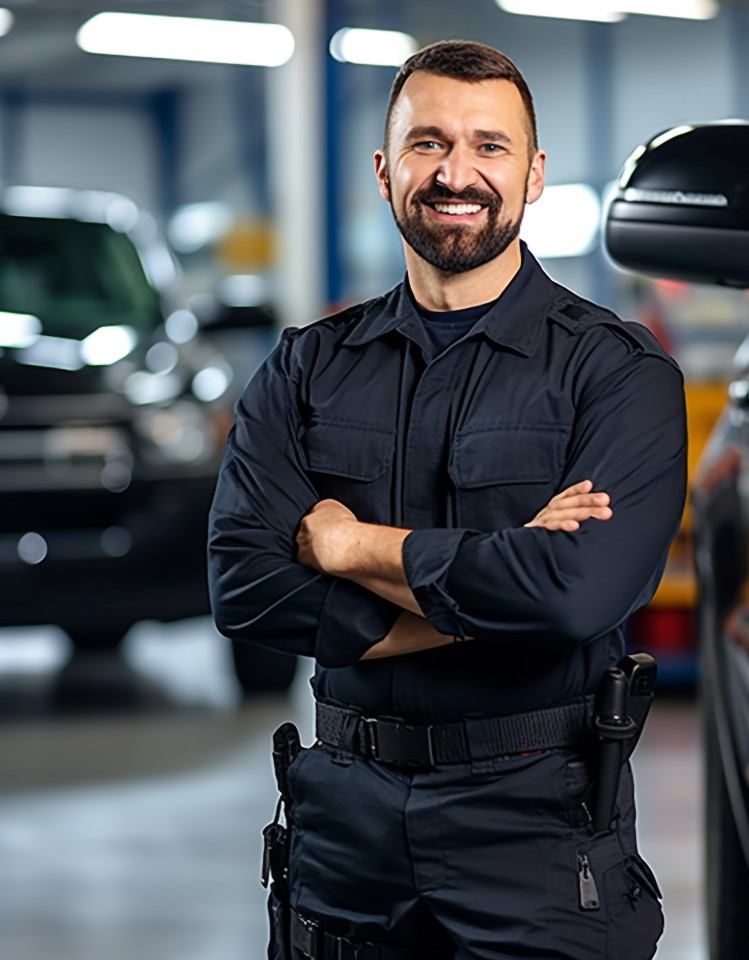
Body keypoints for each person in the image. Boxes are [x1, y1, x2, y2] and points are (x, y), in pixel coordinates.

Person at [209, 39, 685, 960]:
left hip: (538, 834)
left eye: (489, 146)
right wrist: (503, 582)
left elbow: (578, 593)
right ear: (386, 172)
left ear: (535, 173)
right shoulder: (307, 368)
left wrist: (350, 550)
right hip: (342, 832)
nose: (456, 173)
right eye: (428, 144)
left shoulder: (617, 374)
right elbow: (244, 587)